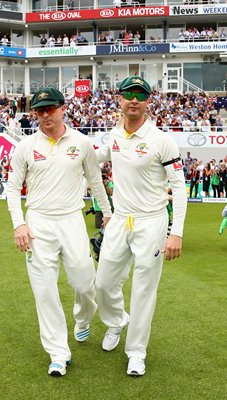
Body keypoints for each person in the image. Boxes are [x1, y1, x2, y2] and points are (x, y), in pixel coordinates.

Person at [6, 87, 112, 377]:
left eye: (50, 109)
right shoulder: (25, 146)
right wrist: (19, 223)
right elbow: (13, 188)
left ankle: (82, 318)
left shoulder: (81, 142)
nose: (45, 115)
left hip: (71, 220)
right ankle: (57, 353)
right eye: (40, 111)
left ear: (63, 108)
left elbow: (95, 181)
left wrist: (108, 213)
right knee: (45, 292)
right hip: (38, 222)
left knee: (84, 283)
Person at [95, 75, 187, 377]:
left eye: (141, 94)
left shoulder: (162, 140)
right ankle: (117, 322)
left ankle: (136, 352)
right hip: (121, 220)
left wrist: (176, 233)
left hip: (152, 221)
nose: (134, 99)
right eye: (129, 93)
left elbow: (180, 187)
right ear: (119, 98)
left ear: (149, 101)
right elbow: (96, 156)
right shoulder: (114, 134)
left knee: (144, 290)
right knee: (104, 283)